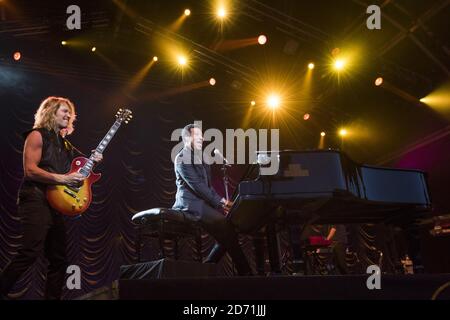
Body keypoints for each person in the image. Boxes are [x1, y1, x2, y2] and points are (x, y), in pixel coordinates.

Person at [0, 96, 103, 299]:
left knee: (59, 259)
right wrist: (63, 179)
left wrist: (95, 160)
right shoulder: (37, 136)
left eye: (70, 112)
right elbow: (30, 171)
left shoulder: (64, 144)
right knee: (30, 251)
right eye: (64, 111)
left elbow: (82, 169)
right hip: (35, 197)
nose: (69, 115)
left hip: (54, 203)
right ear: (50, 112)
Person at [172, 123, 252, 276]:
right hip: (189, 204)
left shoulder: (201, 158)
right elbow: (198, 186)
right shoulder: (182, 158)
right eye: (198, 135)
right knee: (225, 226)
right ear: (187, 138)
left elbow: (208, 187)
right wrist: (222, 201)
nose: (202, 137)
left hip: (202, 203)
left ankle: (208, 268)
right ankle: (246, 273)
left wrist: (219, 203)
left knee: (228, 232)